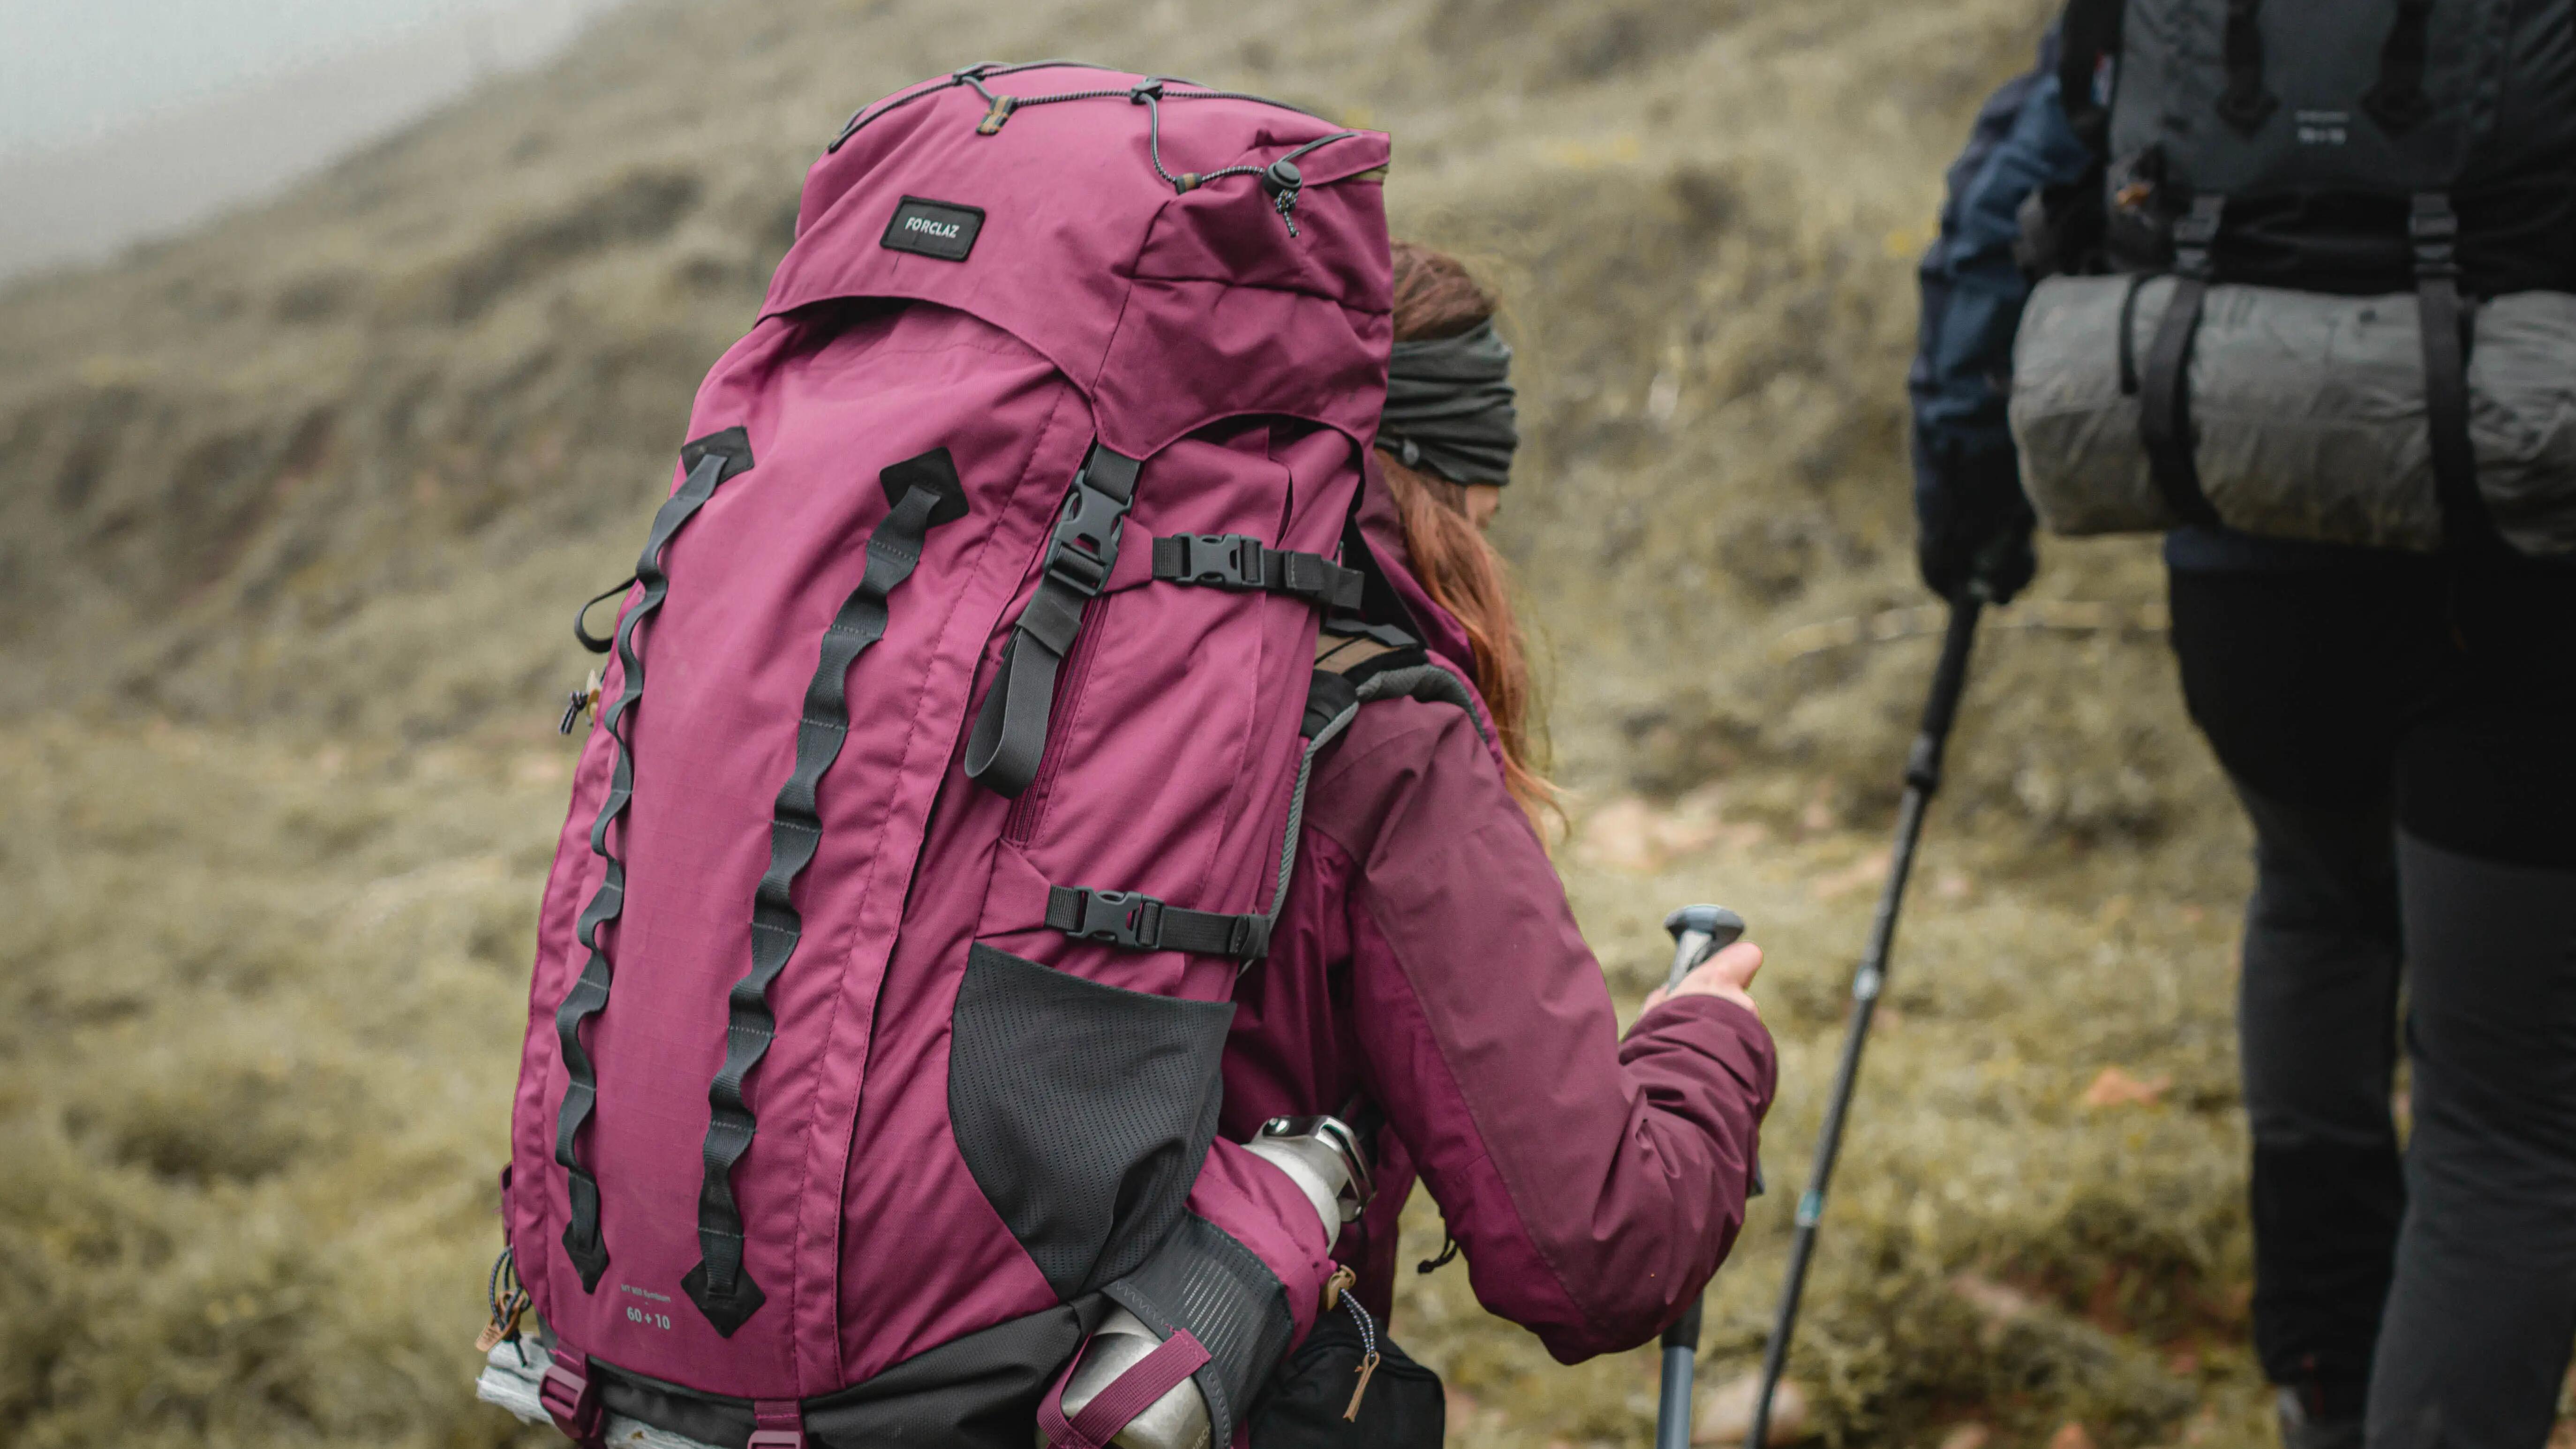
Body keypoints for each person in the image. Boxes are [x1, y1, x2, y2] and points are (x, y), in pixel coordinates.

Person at [1912, 19, 2576, 1449]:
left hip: (2236, 532)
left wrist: (1966, 492)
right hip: (2514, 564)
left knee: (2315, 910)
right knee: (2502, 1113)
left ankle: (2320, 1394)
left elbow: (2011, 180)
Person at [1222, 240, 1778, 1411]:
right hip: (1181, 1396)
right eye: (1482, 513)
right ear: (1439, 494)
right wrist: (1703, 1046)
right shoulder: (1383, 740)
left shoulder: (1042, 635)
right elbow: (1597, 1252)